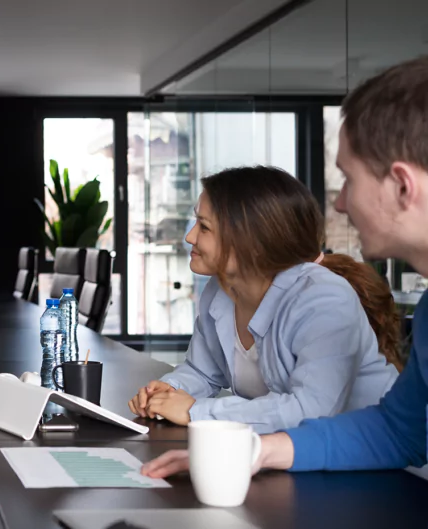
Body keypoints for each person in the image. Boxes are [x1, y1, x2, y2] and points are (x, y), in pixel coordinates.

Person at [142, 55, 428, 479]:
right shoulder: (426, 314)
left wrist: (203, 413)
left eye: (349, 179)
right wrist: (253, 451)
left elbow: (323, 412)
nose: (339, 203)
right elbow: (400, 431)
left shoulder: (321, 296)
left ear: (403, 186)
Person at [128, 166, 399, 433]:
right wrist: (169, 391)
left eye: (204, 227)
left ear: (253, 242)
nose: (190, 237)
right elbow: (202, 372)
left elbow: (311, 410)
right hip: (297, 458)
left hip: (382, 464)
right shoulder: (220, 289)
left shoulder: (323, 298)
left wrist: (193, 411)